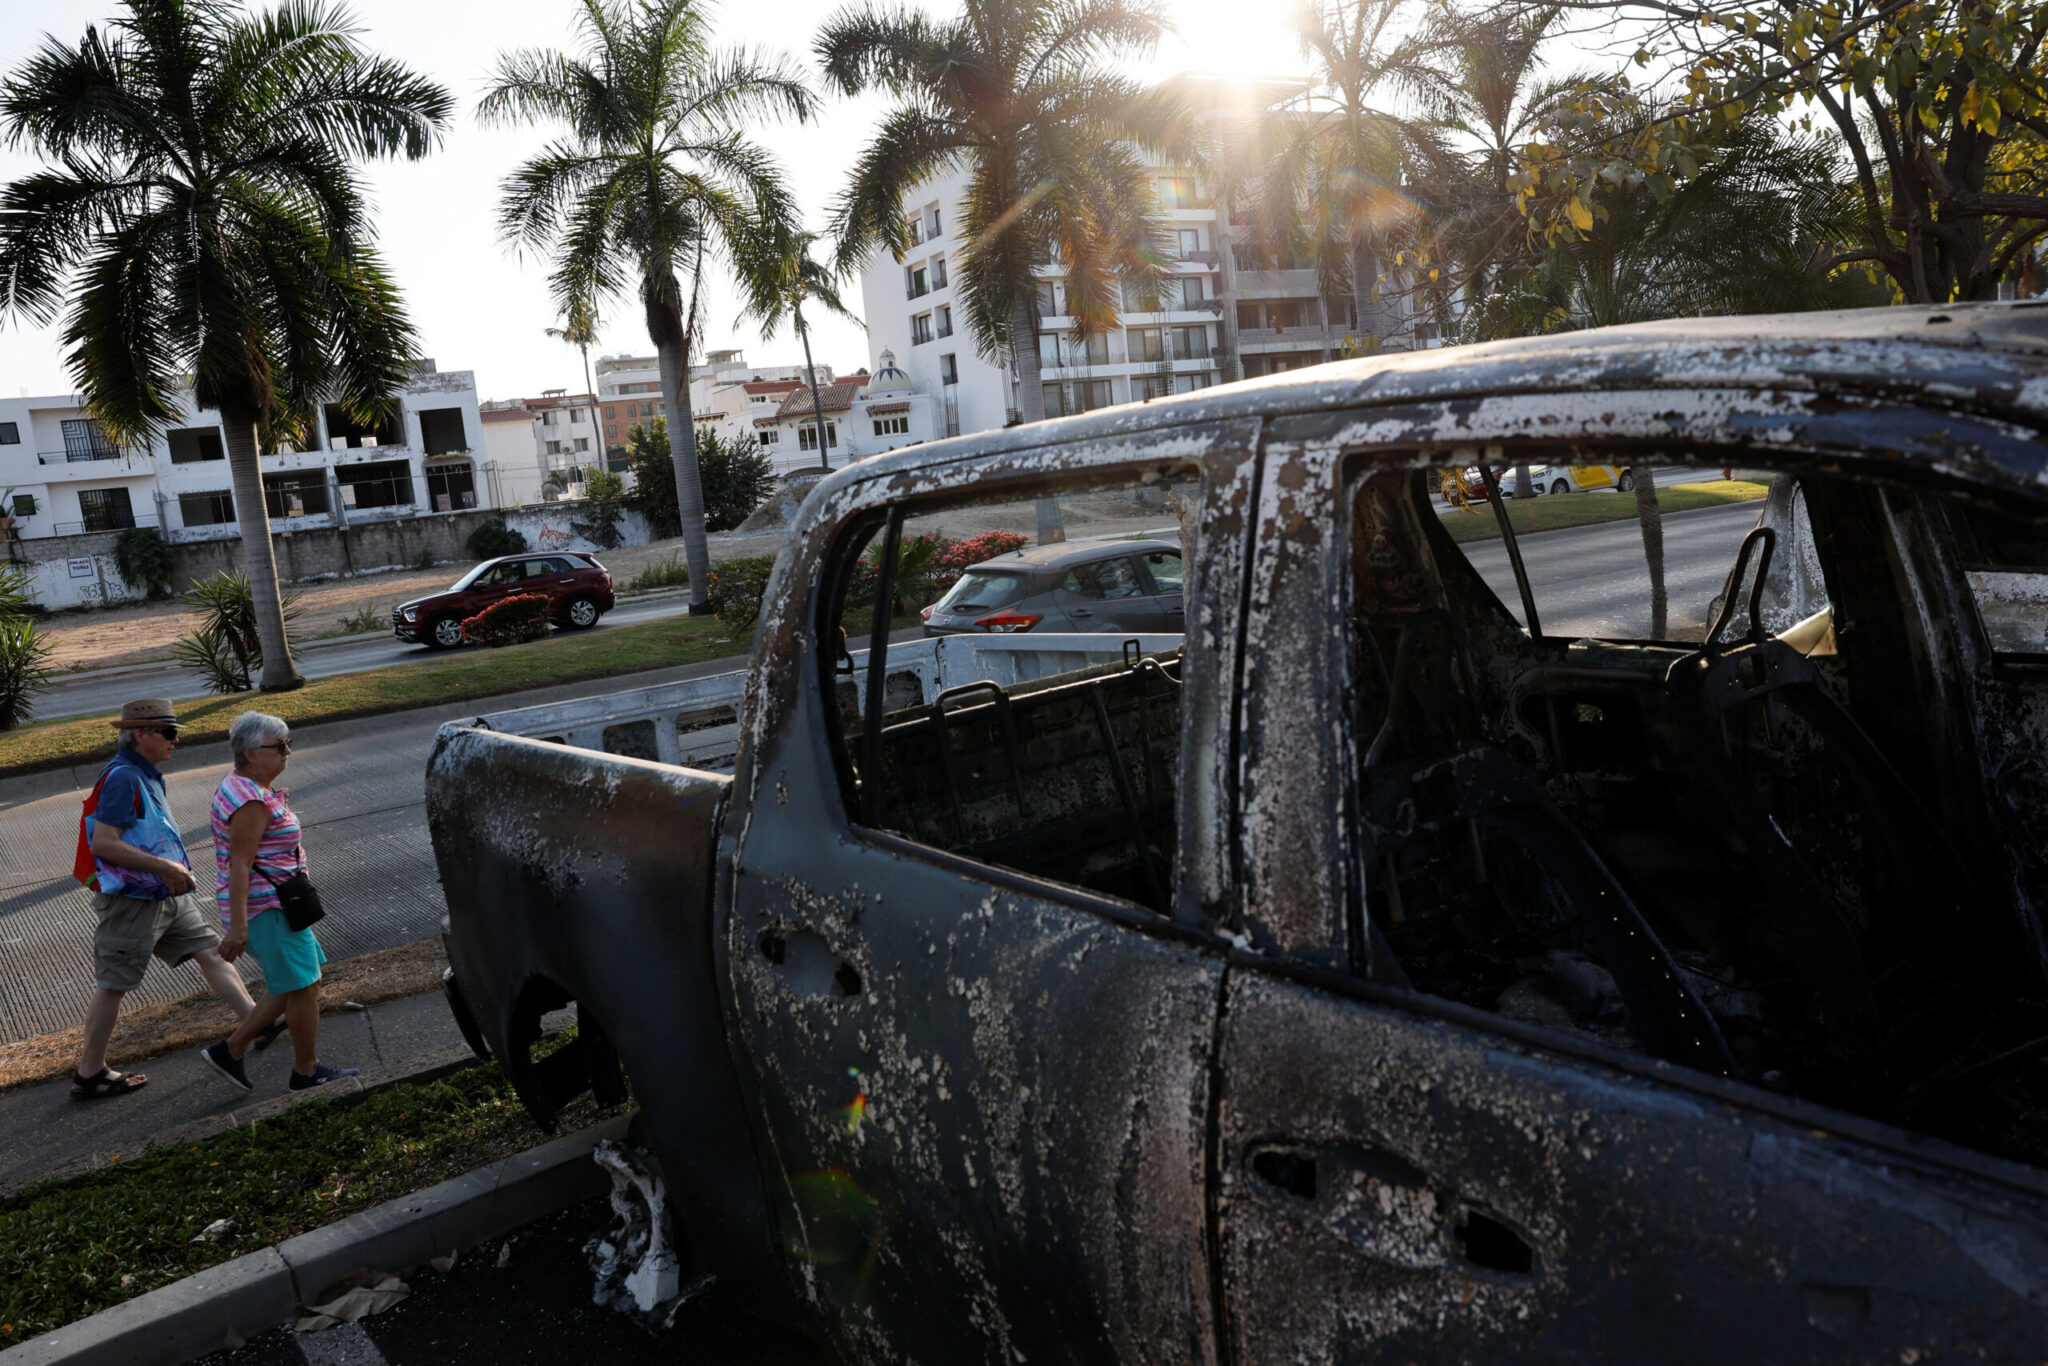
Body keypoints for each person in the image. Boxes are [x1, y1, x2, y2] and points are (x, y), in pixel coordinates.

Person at [71, 699, 272, 1100]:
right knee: (114, 983)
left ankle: (256, 1023)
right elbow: (104, 844)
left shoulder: (145, 774)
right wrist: (164, 868)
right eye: (167, 732)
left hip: (163, 891)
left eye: (175, 731)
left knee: (210, 952)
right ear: (140, 735)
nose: (175, 740)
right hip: (134, 900)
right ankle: (89, 1073)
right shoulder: (124, 778)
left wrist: (168, 873)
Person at [200, 712, 357, 1091]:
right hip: (267, 908)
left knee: (294, 984)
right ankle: (306, 1071)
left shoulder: (246, 786)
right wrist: (238, 926)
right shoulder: (250, 799)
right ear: (251, 753)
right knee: (304, 987)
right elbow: (241, 862)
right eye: (279, 746)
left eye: (289, 743)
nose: (287, 752)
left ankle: (231, 1049)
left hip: (275, 905)